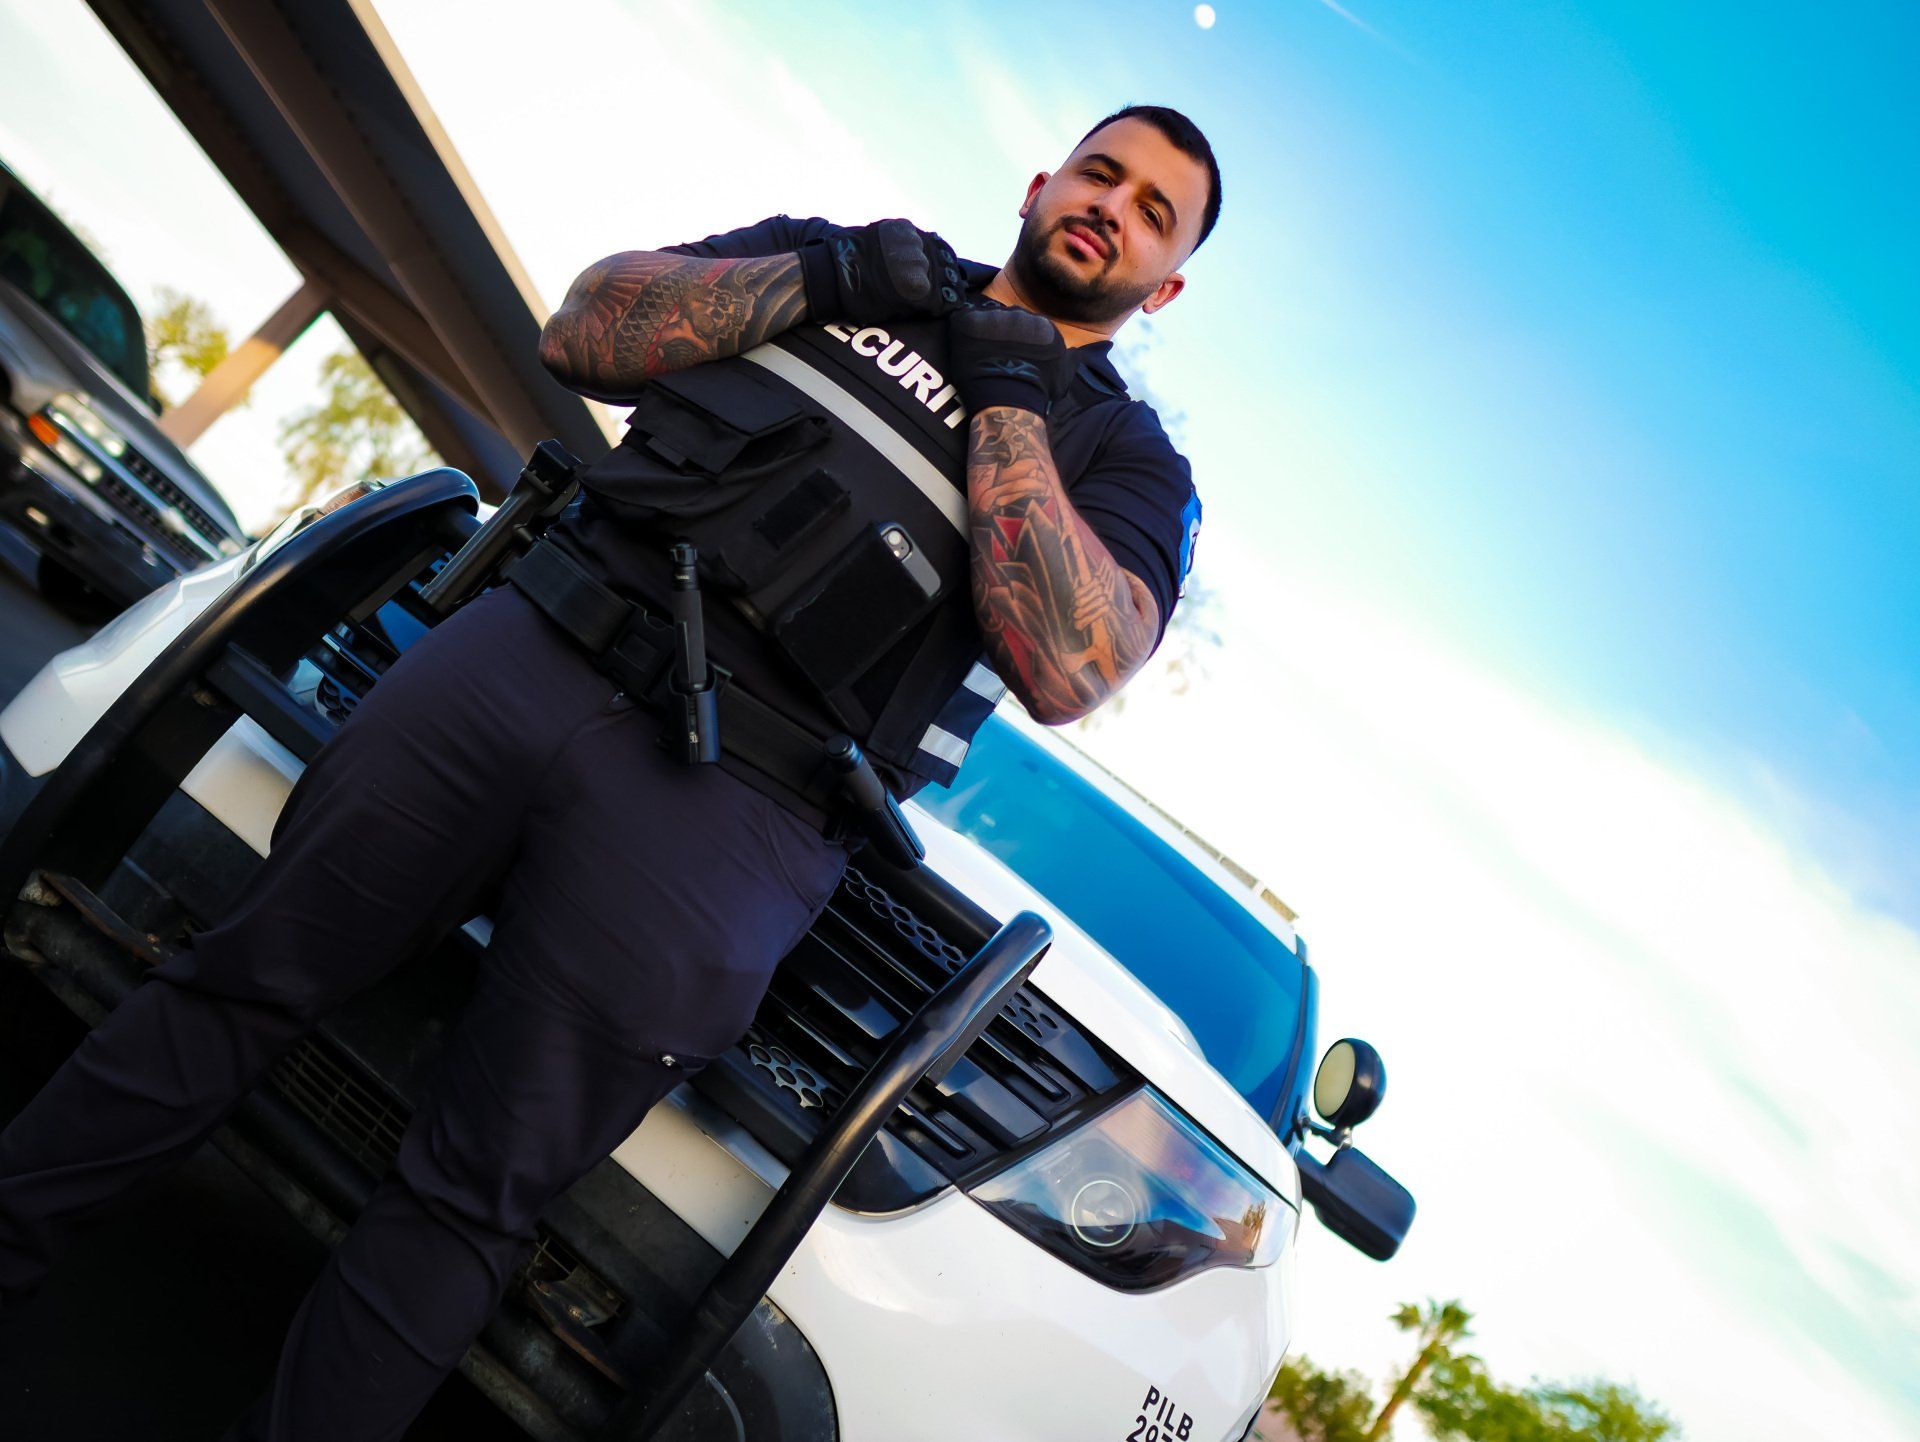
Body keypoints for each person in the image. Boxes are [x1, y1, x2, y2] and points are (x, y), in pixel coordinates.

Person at [0, 104, 1218, 1439]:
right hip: (531, 650)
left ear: (1165, 284)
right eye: (1103, 171)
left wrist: (1009, 387)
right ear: (1045, 182)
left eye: (1156, 210)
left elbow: (1072, 656)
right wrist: (829, 279)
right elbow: (588, 327)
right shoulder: (851, 263)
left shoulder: (1127, 459)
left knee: (472, 1194)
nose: (1115, 202)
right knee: (237, 975)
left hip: (733, 811)